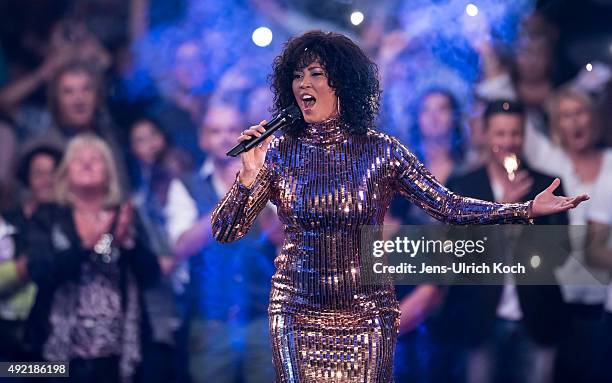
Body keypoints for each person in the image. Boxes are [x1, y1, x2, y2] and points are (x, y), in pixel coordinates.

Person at [211, 31, 588, 382]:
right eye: (297, 75)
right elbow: (225, 231)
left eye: (315, 73)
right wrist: (247, 176)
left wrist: (524, 210)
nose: (303, 84)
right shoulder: (278, 151)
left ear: (341, 82)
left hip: (366, 317)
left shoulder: (381, 151)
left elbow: (449, 206)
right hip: (296, 313)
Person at [440, 100, 569, 383]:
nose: (508, 141)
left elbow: (559, 256)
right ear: (485, 135)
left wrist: (527, 216)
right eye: (500, 134)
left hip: (537, 318)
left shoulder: (547, 187)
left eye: (515, 133)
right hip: (481, 319)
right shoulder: (465, 186)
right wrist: (503, 209)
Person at [25, 134, 159, 383]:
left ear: (109, 172)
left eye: (95, 159)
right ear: (65, 173)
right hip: (56, 353)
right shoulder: (49, 216)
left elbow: (152, 276)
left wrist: (127, 245)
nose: (87, 164)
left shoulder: (125, 216)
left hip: (118, 353)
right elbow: (39, 273)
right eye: (79, 159)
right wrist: (85, 244)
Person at [167, 104, 278, 383]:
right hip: (209, 322)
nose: (225, 137)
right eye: (215, 131)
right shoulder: (187, 185)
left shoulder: (267, 178)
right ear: (203, 139)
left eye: (232, 130)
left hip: (261, 317)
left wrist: (257, 190)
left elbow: (282, 238)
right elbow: (181, 247)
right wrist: (234, 193)